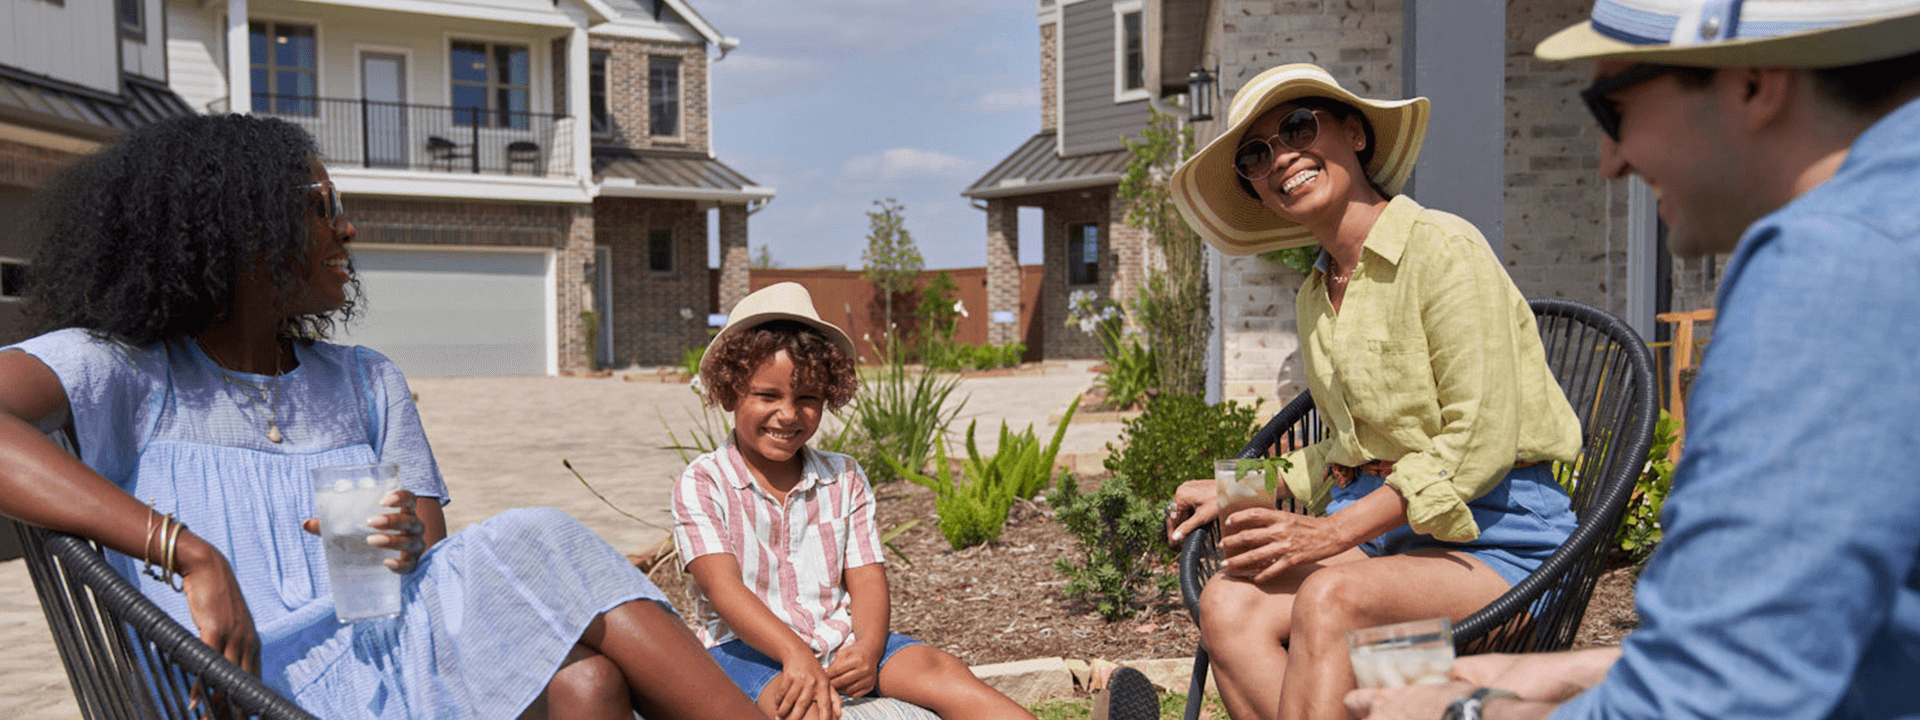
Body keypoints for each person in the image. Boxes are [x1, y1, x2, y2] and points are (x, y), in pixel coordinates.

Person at [0, 113, 765, 720]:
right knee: (542, 541)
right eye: (321, 207)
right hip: (236, 691)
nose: (348, 229)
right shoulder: (132, 370)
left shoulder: (365, 379)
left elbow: (432, 559)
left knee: (589, 684)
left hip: (388, 664)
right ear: (240, 230)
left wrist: (400, 539)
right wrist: (187, 550)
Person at [1345, 2, 1920, 720]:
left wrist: (1466, 713)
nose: (1608, 161)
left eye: (1610, 107)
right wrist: (1578, 672)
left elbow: (1717, 700)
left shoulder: (1828, 266)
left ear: (1752, 82)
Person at [1159, 63, 1587, 720]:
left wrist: (1330, 535)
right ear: (1256, 189)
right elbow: (1345, 449)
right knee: (1229, 600)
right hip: (1395, 551)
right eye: (1256, 152)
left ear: (1355, 133)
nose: (1282, 158)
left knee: (1330, 599)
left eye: (1299, 126)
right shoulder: (1318, 292)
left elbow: (1478, 437)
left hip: (1502, 552)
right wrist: (1233, 487)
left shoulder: (1443, 249)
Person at [669, 282, 1049, 720]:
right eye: (767, 396)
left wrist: (868, 648)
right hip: (747, 649)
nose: (789, 414)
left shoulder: (843, 477)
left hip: (839, 638)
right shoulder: (702, 482)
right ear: (730, 389)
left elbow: (867, 578)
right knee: (801, 707)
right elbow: (723, 590)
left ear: (828, 395)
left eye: (807, 398)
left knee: (942, 670)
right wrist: (794, 653)